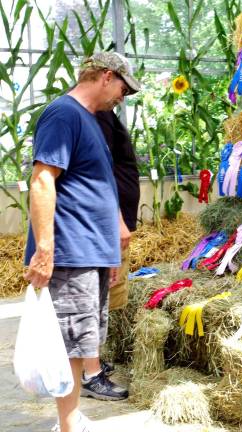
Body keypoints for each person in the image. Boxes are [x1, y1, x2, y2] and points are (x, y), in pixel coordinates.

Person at [24, 52, 140, 432]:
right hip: (71, 252)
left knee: (81, 340)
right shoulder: (64, 114)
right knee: (70, 340)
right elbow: (43, 181)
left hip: (91, 250)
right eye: (123, 87)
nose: (123, 96)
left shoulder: (89, 120)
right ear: (107, 76)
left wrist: (110, 248)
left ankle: (70, 417)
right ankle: (68, 424)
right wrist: (44, 250)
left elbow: (97, 188)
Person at [78, 106, 140, 401]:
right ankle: (90, 373)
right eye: (121, 87)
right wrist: (116, 222)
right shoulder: (96, 116)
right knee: (97, 300)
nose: (122, 96)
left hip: (111, 224)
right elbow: (100, 174)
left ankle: (91, 363)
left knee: (104, 300)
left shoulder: (102, 115)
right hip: (107, 227)